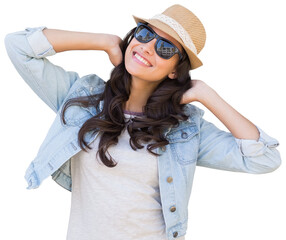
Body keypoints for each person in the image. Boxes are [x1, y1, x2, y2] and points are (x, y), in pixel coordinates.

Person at [4, 4, 281, 240]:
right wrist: (104, 41)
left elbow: (264, 158)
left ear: (175, 70)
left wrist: (206, 94)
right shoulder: (82, 100)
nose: (148, 47)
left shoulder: (184, 129)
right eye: (145, 34)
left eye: (164, 47)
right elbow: (18, 46)